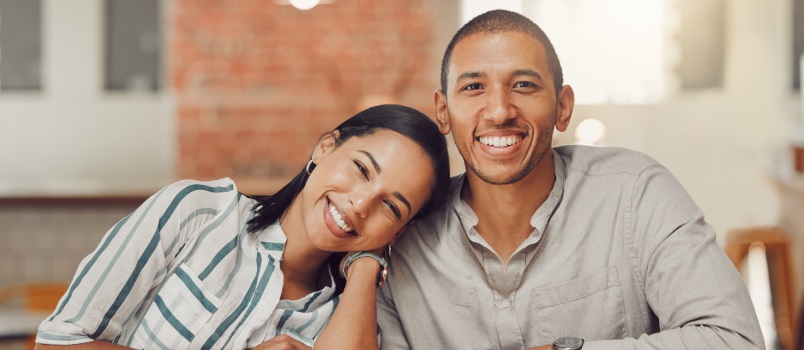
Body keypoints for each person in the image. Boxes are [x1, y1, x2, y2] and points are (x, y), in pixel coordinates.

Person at [376, 9, 764, 350]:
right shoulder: (403, 236)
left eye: (524, 85)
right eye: (473, 87)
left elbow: (734, 340)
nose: (498, 110)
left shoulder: (635, 193)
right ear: (443, 112)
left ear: (563, 108)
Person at [35, 104, 450, 350]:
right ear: (325, 147)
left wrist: (366, 263)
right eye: (361, 168)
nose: (361, 204)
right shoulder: (198, 213)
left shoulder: (346, 321)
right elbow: (56, 342)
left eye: (391, 208)